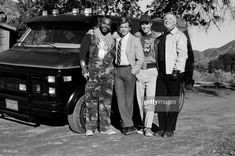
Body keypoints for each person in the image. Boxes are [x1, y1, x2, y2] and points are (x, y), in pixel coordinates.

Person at [79, 16, 116, 136]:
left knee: (106, 102)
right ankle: (90, 127)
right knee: (91, 100)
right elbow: (82, 55)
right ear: (100, 23)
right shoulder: (91, 35)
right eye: (104, 23)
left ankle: (105, 127)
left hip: (108, 75)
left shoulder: (113, 39)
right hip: (93, 73)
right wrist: (84, 69)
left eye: (108, 24)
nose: (106, 26)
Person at [154, 12, 188, 137]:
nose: (167, 20)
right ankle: (161, 128)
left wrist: (176, 70)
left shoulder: (180, 35)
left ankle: (170, 129)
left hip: (174, 73)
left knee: (173, 102)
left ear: (174, 22)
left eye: (169, 19)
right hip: (162, 73)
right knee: (161, 101)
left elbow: (183, 54)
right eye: (165, 19)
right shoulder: (162, 36)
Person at [114, 17, 144, 135]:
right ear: (119, 28)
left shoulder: (134, 39)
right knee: (120, 99)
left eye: (126, 27)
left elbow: (140, 58)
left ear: (130, 28)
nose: (123, 29)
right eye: (121, 27)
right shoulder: (116, 38)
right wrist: (92, 31)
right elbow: (101, 35)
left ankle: (127, 124)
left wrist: (134, 71)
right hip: (117, 71)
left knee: (128, 99)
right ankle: (128, 124)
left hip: (128, 70)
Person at [134, 15, 161, 136]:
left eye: (147, 23)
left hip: (152, 70)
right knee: (140, 101)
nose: (144, 26)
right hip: (139, 71)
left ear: (151, 24)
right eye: (142, 24)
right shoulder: (136, 36)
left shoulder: (158, 36)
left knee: (149, 100)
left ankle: (148, 127)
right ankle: (142, 124)